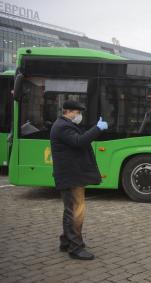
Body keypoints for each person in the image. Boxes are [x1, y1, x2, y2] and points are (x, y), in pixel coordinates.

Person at [50, 100, 108, 260]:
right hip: (71, 176)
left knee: (70, 209)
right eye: (78, 113)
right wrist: (97, 128)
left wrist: (94, 129)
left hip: (70, 175)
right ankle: (75, 247)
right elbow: (79, 141)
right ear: (69, 112)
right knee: (77, 210)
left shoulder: (63, 125)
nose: (79, 116)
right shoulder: (62, 126)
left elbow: (79, 138)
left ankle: (66, 241)